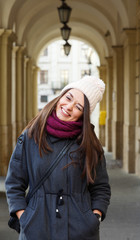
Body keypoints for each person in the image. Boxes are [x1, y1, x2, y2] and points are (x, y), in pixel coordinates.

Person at [5, 75, 111, 240]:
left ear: (84, 114)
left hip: (80, 231)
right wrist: (24, 218)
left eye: (78, 107)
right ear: (61, 96)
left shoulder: (90, 144)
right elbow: (14, 184)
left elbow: (101, 188)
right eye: (68, 98)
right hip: (36, 230)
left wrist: (94, 217)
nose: (68, 107)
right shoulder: (31, 135)